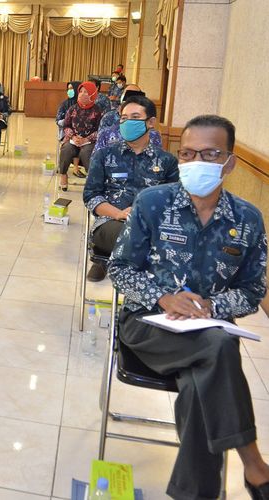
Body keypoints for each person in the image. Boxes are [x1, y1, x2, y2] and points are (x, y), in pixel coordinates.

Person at [108, 114, 269, 500]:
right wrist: (163, 297)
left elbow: (252, 290)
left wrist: (211, 306)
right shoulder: (152, 203)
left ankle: (195, 493)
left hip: (208, 329)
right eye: (189, 153)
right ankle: (255, 465)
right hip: (146, 323)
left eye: (210, 154)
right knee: (218, 349)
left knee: (203, 378)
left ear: (229, 162)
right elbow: (119, 268)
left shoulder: (247, 218)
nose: (198, 162)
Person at [82, 95, 178, 281]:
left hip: (153, 225)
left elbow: (173, 200)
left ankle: (137, 283)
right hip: (110, 223)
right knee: (133, 234)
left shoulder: (167, 161)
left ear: (150, 122)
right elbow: (91, 196)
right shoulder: (104, 155)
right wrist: (118, 213)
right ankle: (142, 285)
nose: (127, 123)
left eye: (134, 117)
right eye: (124, 118)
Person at [58, 81, 103, 190]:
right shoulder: (72, 109)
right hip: (74, 139)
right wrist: (73, 137)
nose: (82, 94)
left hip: (90, 141)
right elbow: (66, 126)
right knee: (66, 149)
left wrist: (86, 139)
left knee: (87, 152)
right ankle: (63, 175)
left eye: (86, 92)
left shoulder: (98, 111)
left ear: (92, 94)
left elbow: (101, 130)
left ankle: (90, 178)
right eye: (81, 91)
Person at [94, 87, 163, 155]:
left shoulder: (153, 135)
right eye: (124, 117)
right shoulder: (106, 133)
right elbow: (96, 160)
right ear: (120, 109)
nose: (129, 121)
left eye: (135, 117)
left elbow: (158, 160)